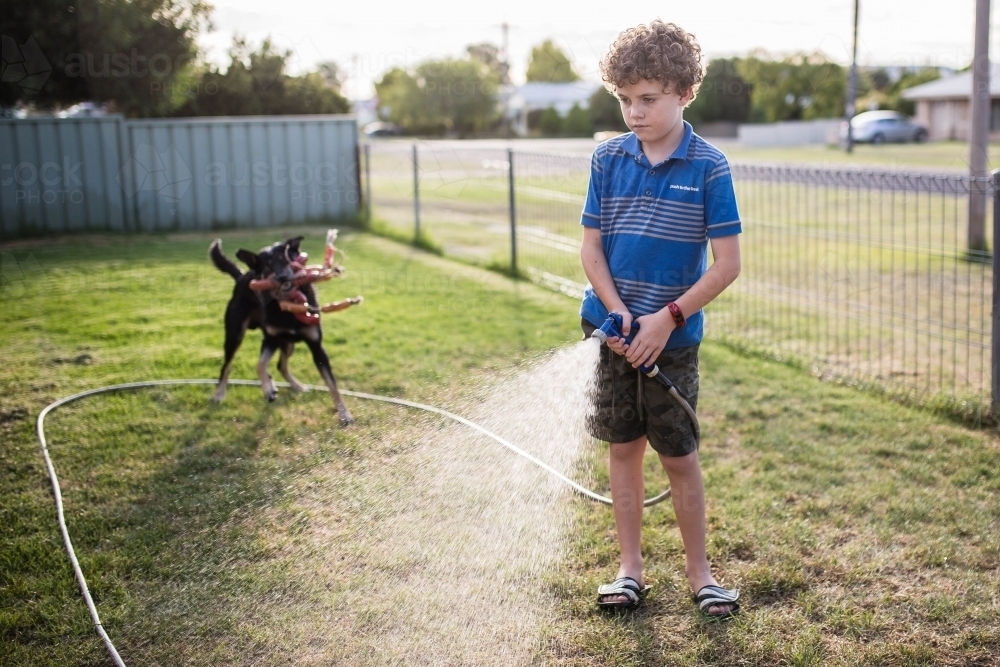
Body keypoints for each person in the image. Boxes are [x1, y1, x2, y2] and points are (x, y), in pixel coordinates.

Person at [579, 19, 743, 618]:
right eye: (624, 99)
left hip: (671, 341)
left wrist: (666, 319)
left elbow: (726, 265)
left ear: (684, 93)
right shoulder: (607, 159)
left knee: (678, 456)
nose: (634, 112)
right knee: (623, 450)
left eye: (647, 99)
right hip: (612, 335)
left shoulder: (709, 167)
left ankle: (701, 576)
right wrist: (620, 316)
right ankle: (629, 572)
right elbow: (591, 250)